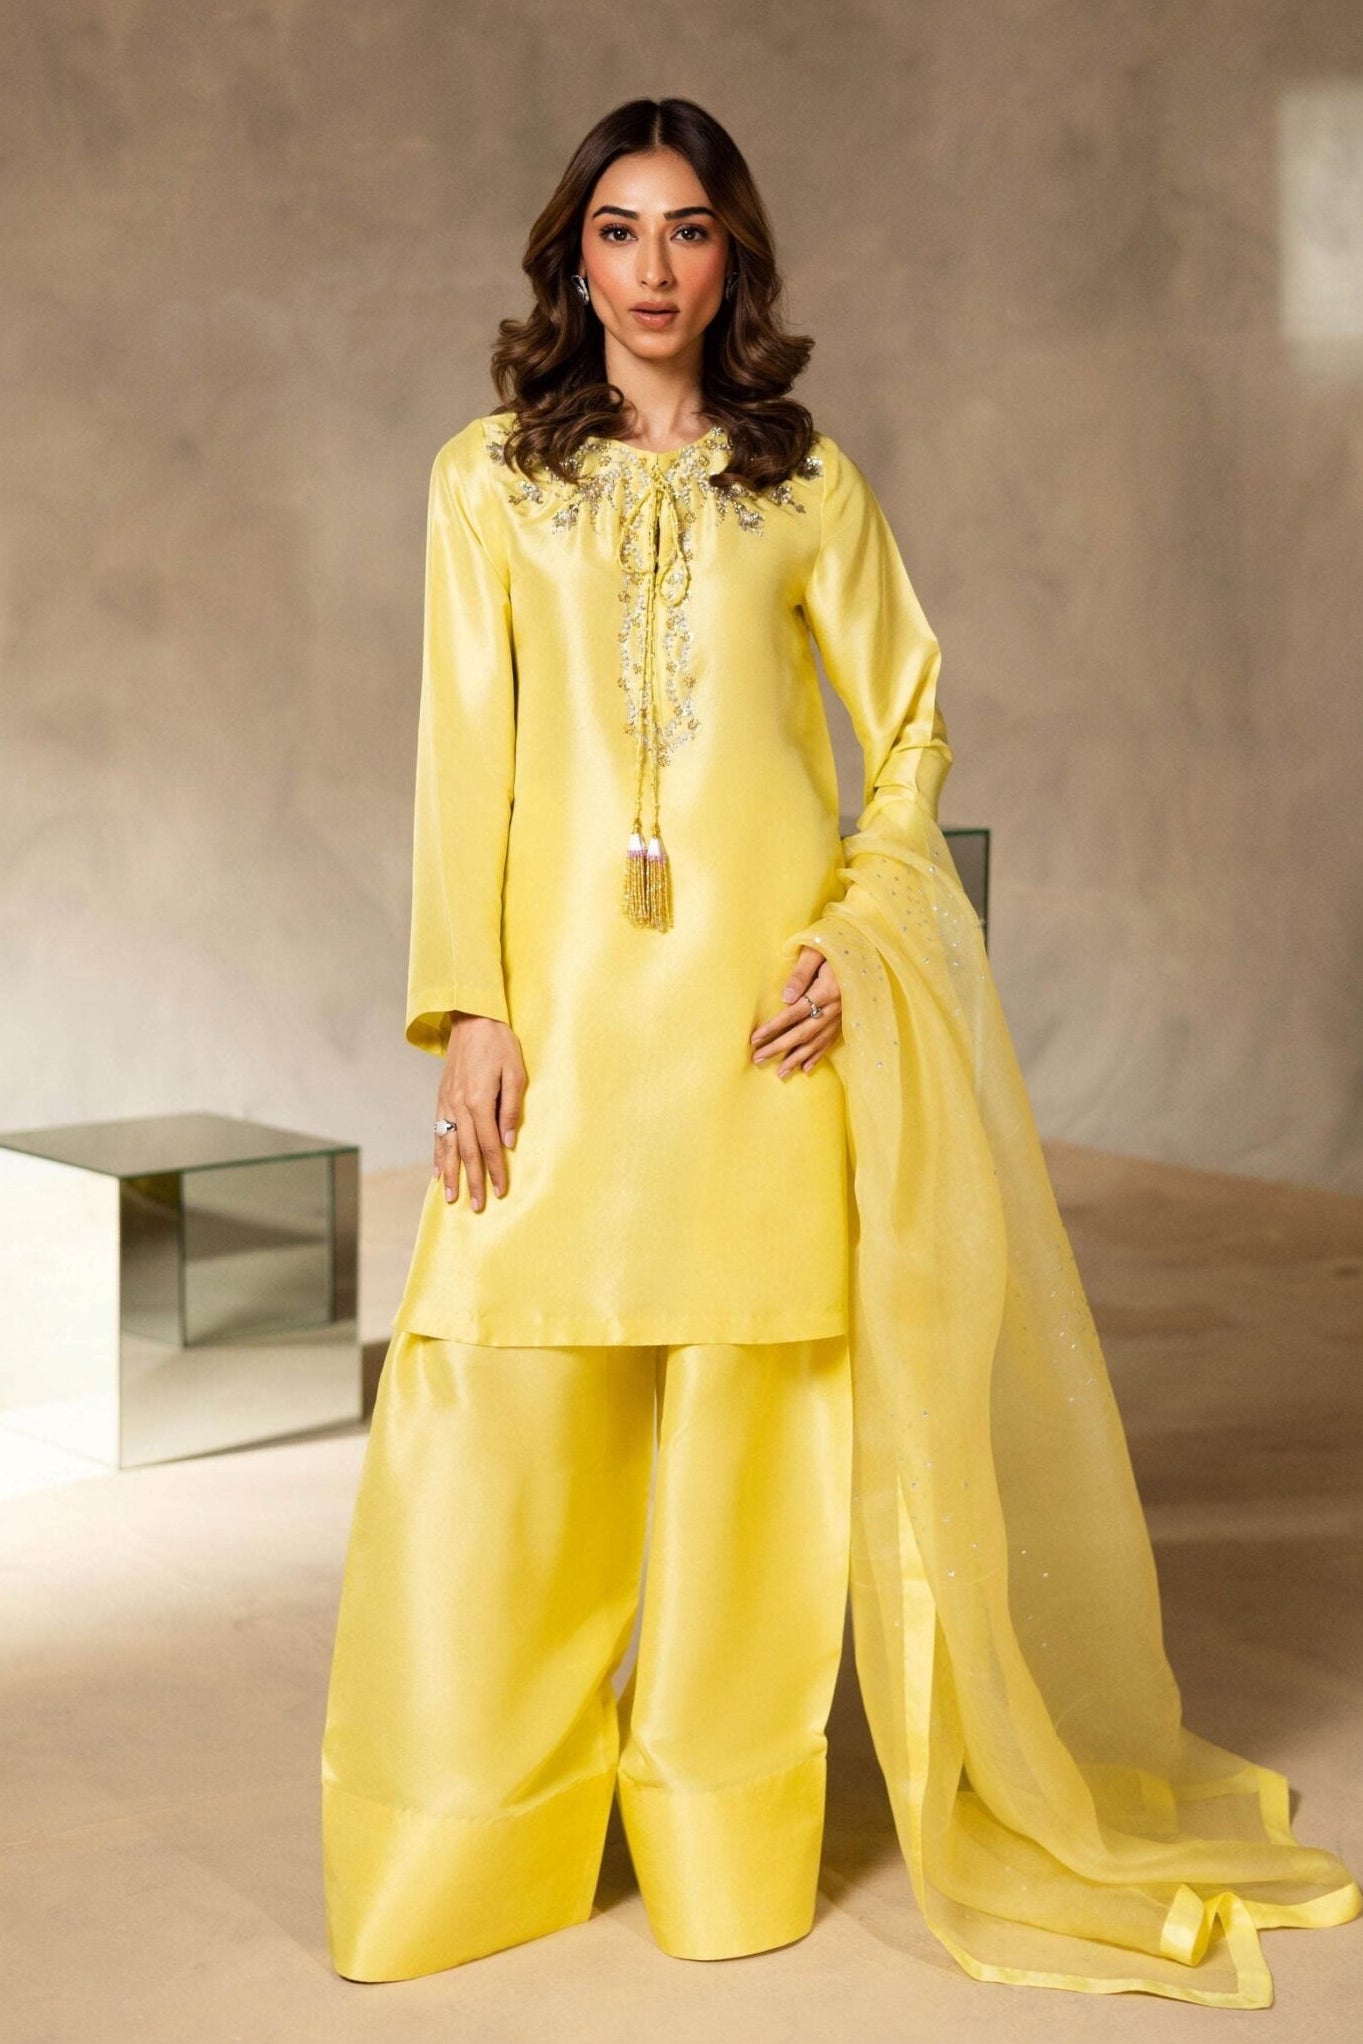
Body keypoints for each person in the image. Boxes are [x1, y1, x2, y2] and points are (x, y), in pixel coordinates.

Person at [320, 98, 1361, 2004]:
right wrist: (466, 1004)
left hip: (752, 1041)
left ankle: (724, 1836)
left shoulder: (802, 483)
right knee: (502, 1434)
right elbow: (460, 757)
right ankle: (464, 1838)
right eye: (618, 231)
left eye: (688, 230)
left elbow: (913, 730)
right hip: (557, 1032)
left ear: (735, 259)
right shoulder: (488, 481)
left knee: (751, 1448)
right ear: (572, 257)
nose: (650, 267)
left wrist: (848, 939)